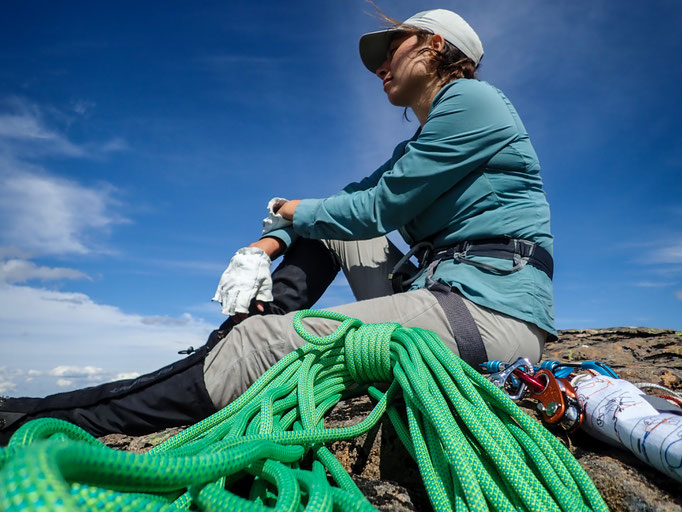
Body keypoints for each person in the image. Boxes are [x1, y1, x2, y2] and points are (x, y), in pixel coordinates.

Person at [0, 9, 555, 444]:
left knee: (261, 342)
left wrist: (286, 209)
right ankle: (259, 322)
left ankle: (43, 420)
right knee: (330, 232)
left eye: (394, 47)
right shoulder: (418, 144)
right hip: (443, 293)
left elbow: (375, 209)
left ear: (434, 46)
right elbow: (344, 206)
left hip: (487, 312)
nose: (382, 64)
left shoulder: (472, 100)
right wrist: (262, 249)